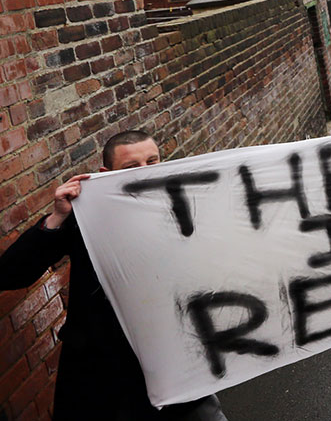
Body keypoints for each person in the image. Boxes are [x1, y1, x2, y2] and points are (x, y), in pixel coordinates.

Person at [0, 130, 226, 420]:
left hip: (178, 365)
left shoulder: (186, 208)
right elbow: (10, 275)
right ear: (106, 173)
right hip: (101, 375)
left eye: (153, 162)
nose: (146, 173)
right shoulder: (83, 217)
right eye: (132, 168)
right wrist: (57, 218)